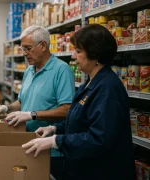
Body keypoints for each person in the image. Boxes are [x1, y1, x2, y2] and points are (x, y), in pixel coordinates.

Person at [21, 24, 135, 180]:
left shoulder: (108, 89)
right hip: (81, 169)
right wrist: (55, 128)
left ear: (95, 54)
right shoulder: (90, 83)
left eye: (78, 51)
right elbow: (79, 120)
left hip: (101, 172)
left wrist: (56, 141)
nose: (73, 56)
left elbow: (98, 138)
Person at [0, 25, 75, 180]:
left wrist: (32, 115)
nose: (25, 53)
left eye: (28, 48)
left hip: (50, 150)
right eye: (22, 49)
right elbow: (21, 102)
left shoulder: (62, 70)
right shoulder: (29, 70)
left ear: (43, 45)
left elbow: (67, 110)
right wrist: (4, 108)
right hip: (26, 143)